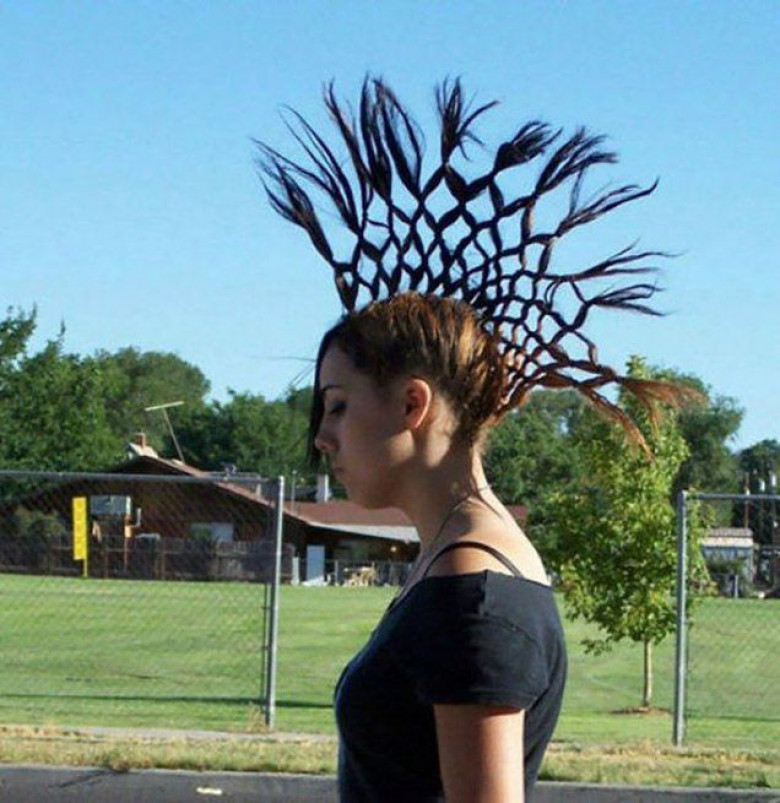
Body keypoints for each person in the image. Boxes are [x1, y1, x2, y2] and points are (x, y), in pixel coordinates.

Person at [257, 77, 678, 801]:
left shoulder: (472, 594)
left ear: (412, 404)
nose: (322, 437)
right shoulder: (458, 564)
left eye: (337, 407)